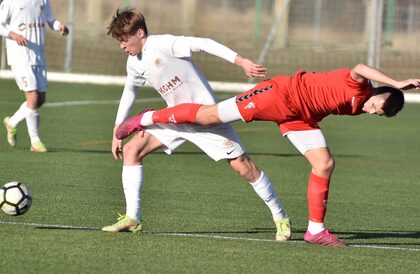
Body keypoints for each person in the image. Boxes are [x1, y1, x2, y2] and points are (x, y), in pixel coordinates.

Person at [117, 63, 420, 247]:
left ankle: (315, 230)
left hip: (299, 117)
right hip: (277, 94)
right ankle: (147, 118)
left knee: (325, 162)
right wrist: (396, 82)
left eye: (375, 114)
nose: (370, 111)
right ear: (379, 93)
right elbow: (359, 66)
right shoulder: (360, 84)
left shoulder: (359, 106)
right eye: (375, 106)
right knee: (210, 117)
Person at [101, 8, 291, 241]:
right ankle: (132, 218)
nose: (122, 46)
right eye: (119, 41)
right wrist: (117, 129)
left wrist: (240, 61)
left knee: (245, 168)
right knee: (132, 149)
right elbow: (130, 90)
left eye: (124, 39)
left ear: (140, 33)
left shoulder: (164, 44)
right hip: (175, 119)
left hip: (207, 118)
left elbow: (205, 43)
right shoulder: (134, 63)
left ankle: (280, 216)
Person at [0, 0, 69, 152]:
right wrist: (12, 34)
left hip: (38, 56)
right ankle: (35, 141)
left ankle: (12, 122)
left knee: (41, 99)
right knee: (33, 98)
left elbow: (50, 19)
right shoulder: (10, 2)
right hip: (20, 57)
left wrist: (59, 26)